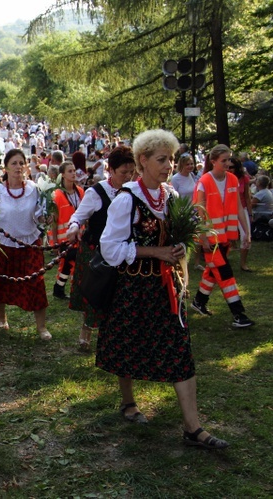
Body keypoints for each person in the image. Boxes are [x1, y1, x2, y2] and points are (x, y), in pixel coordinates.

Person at [98, 129, 229, 449]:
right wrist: (154, 252)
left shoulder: (170, 196)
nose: (169, 165)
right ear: (142, 161)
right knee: (126, 346)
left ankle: (193, 427)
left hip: (167, 288)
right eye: (162, 159)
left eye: (171, 158)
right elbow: (109, 249)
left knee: (180, 351)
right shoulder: (127, 200)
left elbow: (177, 237)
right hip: (134, 287)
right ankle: (128, 402)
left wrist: (181, 248)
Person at [66, 146, 136, 351]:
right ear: (111, 171)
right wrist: (73, 227)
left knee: (120, 294)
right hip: (97, 252)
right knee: (96, 293)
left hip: (124, 252)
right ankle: (86, 332)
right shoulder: (96, 193)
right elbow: (78, 216)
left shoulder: (134, 191)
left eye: (131, 172)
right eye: (123, 172)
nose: (128, 176)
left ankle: (117, 336)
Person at [0, 149, 51, 340]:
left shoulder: (33, 189)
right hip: (4, 245)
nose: (18, 167)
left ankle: (41, 327)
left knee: (36, 284)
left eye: (21, 163)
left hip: (29, 244)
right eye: (14, 163)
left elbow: (40, 214)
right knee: (1, 282)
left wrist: (47, 217)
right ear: (5, 167)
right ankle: (1, 316)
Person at [190, 145, 254, 327]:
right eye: (224, 160)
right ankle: (239, 314)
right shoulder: (203, 182)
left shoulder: (233, 180)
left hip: (226, 238)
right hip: (210, 240)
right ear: (213, 161)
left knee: (213, 271)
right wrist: (202, 240)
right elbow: (198, 213)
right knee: (225, 273)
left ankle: (199, 302)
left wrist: (246, 231)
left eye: (230, 159)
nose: (228, 163)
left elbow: (239, 208)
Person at [51, 161, 84, 300]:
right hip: (64, 238)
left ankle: (59, 288)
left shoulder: (80, 191)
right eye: (69, 171)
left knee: (69, 265)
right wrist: (54, 242)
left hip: (79, 236)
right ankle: (69, 289)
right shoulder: (57, 195)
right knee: (69, 262)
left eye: (74, 170)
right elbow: (54, 220)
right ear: (62, 175)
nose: (73, 173)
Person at [229, 157, 254, 272]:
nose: (229, 169)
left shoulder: (244, 179)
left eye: (232, 167)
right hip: (227, 210)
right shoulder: (224, 178)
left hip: (242, 209)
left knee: (246, 236)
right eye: (228, 167)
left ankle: (243, 263)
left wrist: (250, 214)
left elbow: (247, 198)